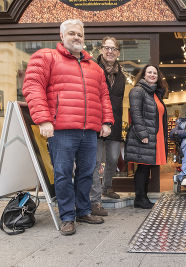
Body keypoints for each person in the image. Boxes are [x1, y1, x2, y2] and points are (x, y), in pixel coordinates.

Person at [22, 19, 114, 236]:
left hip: (89, 130)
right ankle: (67, 217)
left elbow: (104, 97)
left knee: (86, 173)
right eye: (71, 33)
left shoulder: (95, 68)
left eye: (80, 34)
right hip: (61, 129)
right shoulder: (46, 57)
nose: (76, 37)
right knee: (63, 174)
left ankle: (83, 210)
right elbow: (32, 86)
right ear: (61, 36)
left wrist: (106, 121)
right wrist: (43, 119)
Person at [89, 36, 126, 217]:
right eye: (107, 48)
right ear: (101, 50)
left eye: (113, 48)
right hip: (96, 122)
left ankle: (107, 187)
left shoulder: (122, 76)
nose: (110, 51)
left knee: (112, 158)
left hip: (115, 124)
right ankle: (95, 200)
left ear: (118, 52)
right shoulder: (92, 69)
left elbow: (118, 104)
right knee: (95, 162)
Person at [124, 64, 168, 209]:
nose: (152, 75)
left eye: (155, 73)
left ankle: (143, 197)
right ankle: (140, 198)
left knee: (146, 168)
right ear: (143, 75)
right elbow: (136, 114)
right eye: (149, 72)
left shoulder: (154, 93)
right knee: (143, 168)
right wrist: (143, 134)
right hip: (144, 136)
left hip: (154, 136)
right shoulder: (138, 91)